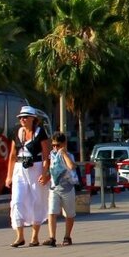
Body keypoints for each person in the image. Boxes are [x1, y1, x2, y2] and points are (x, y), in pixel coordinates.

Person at [5, 106, 50, 247]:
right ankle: (19, 236)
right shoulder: (16, 132)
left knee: (37, 199)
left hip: (35, 168)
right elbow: (12, 155)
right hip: (20, 168)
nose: (22, 120)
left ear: (33, 119)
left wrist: (44, 173)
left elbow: (45, 155)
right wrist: (9, 176)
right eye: (20, 117)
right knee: (17, 200)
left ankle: (35, 236)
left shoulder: (40, 133)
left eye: (25, 117)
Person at [44, 132, 77, 247]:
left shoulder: (69, 155)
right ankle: (52, 237)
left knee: (69, 214)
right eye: (53, 145)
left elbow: (72, 167)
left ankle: (67, 236)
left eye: (58, 145)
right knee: (52, 212)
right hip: (54, 188)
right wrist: (45, 176)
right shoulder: (52, 155)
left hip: (67, 188)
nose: (55, 148)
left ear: (64, 144)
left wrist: (64, 154)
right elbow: (50, 169)